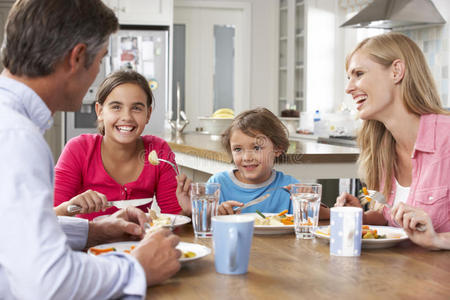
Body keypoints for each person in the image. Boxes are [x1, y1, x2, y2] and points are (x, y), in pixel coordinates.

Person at [0, 1, 180, 298]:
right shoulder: (17, 136)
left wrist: (94, 231)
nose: (97, 73)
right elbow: (48, 283)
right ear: (78, 57)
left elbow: (14, 235)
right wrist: (136, 268)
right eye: (100, 60)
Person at [335, 32, 450, 233]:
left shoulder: (446, 137)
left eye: (359, 74)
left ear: (396, 71)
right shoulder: (381, 145)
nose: (348, 88)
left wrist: (439, 240)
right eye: (348, 77)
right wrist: (361, 216)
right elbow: (392, 219)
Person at [53, 70, 184, 220]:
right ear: (100, 111)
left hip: (141, 242)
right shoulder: (79, 149)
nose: (127, 117)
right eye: (116, 107)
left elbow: (175, 220)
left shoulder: (158, 150)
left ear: (148, 114)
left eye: (136, 108)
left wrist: (187, 211)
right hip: (89, 243)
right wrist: (69, 207)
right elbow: (49, 217)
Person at [178, 107, 330, 218]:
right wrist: (206, 213)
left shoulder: (289, 187)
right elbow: (199, 225)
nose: (246, 157)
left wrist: (310, 202)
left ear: (278, 148)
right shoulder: (217, 185)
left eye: (256, 148)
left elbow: (323, 217)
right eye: (238, 149)